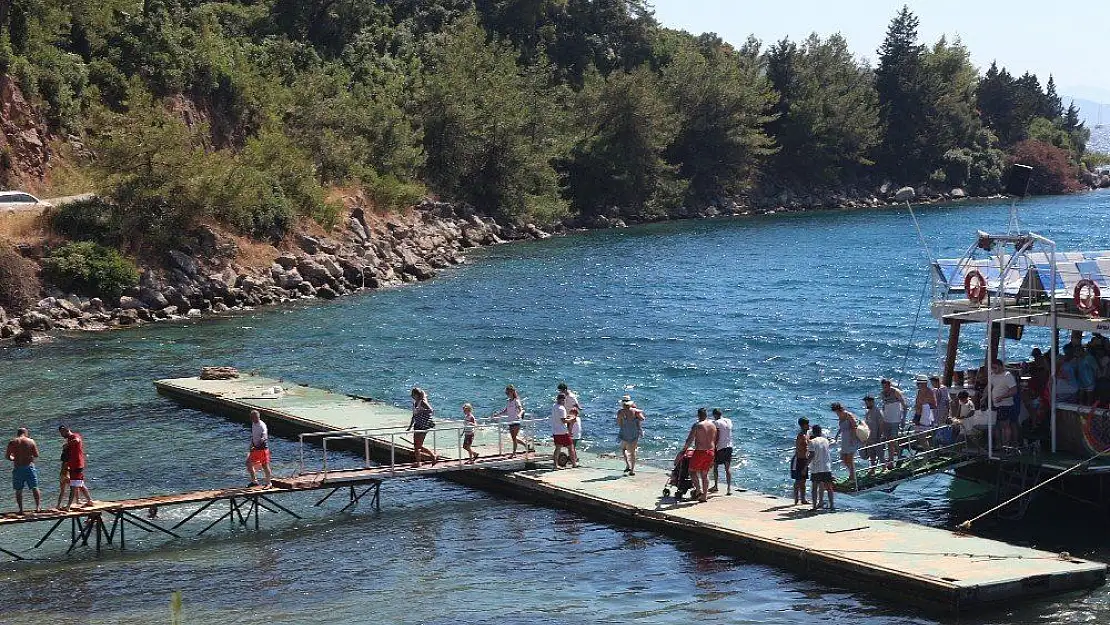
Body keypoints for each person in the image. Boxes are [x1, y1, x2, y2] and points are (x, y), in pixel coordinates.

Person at [682, 408, 717, 503]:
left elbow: (690, 439)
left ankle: (698, 490)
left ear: (698, 415)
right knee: (705, 474)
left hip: (700, 451)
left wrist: (683, 450)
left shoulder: (697, 425)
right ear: (706, 415)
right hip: (711, 451)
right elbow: (715, 439)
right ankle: (704, 496)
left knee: (692, 471)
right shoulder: (713, 425)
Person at [6, 428, 41, 514]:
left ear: (18, 433)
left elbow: (7, 456)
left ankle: (21, 510)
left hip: (18, 468)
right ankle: (38, 507)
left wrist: (13, 458)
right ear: (25, 433)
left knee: (18, 490)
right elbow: (36, 455)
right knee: (34, 487)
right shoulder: (31, 441)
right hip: (29, 467)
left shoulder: (12, 442)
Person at [58, 426, 93, 509]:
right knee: (80, 484)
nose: (61, 435)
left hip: (76, 464)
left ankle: (68, 506)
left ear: (66, 430)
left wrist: (66, 444)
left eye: (62, 433)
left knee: (73, 486)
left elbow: (77, 440)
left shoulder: (74, 436)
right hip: (74, 464)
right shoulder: (70, 439)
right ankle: (89, 500)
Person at [989, 359, 1019, 448]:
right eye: (992, 368)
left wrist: (1002, 397)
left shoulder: (1007, 376)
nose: (993, 369)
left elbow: (1014, 390)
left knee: (1005, 425)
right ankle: (999, 444)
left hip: (1005, 405)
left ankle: (1006, 445)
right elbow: (990, 387)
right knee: (996, 425)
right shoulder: (992, 375)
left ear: (1001, 366)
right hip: (995, 405)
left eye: (995, 367)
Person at [880, 378, 907, 468]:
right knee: (889, 441)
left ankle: (893, 459)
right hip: (886, 420)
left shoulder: (896, 392)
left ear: (889, 385)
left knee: (892, 440)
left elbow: (904, 405)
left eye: (886, 386)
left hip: (895, 420)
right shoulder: (882, 394)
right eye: (883, 387)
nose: (884, 388)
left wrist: (903, 419)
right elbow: (884, 406)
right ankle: (896, 456)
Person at [494, 385, 528, 457]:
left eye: (508, 393)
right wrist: (498, 414)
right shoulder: (508, 401)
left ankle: (514, 453)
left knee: (514, 438)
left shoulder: (516, 401)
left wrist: (519, 415)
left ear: (512, 392)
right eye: (506, 393)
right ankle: (526, 445)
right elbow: (506, 411)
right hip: (510, 421)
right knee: (514, 437)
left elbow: (521, 410)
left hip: (516, 421)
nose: (507, 394)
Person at [407, 388, 436, 467]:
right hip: (417, 425)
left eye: (413, 394)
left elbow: (431, 410)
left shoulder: (422, 402)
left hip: (423, 425)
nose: (412, 396)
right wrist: (410, 426)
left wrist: (421, 412)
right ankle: (432, 456)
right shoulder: (414, 403)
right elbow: (414, 416)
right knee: (417, 446)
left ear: (416, 394)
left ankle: (420, 462)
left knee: (417, 446)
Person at [832, 403, 860, 484]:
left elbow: (854, 426)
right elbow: (841, 427)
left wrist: (853, 438)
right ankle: (852, 474)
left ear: (838, 409)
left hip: (851, 438)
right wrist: (837, 436)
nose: (836, 413)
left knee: (849, 459)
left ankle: (852, 477)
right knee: (843, 458)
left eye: (836, 411)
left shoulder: (848, 415)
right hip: (844, 439)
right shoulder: (840, 416)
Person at [808, 425, 834, 512]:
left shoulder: (812, 442)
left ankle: (814, 506)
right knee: (829, 487)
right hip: (826, 467)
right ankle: (832, 506)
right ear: (820, 432)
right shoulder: (826, 441)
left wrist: (805, 466)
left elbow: (811, 455)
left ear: (813, 432)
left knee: (815, 487)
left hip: (816, 468)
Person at [616, 395, 645, 475]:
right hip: (634, 432)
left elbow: (619, 423)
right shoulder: (635, 411)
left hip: (624, 432)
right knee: (632, 452)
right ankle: (632, 470)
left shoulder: (620, 412)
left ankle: (627, 465)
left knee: (623, 449)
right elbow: (643, 419)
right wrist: (636, 417)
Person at [246, 410, 274, 487]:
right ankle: (254, 481)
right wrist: (252, 444)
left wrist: (256, 446)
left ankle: (269, 483)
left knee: (265, 465)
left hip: (262, 449)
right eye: (252, 418)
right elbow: (254, 435)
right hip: (255, 448)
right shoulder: (253, 423)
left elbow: (264, 437)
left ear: (258, 417)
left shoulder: (262, 425)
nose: (254, 419)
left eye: (255, 418)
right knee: (248, 463)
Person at [550, 394, 578, 469]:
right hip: (562, 432)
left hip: (555, 431)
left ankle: (555, 465)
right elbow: (563, 420)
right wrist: (572, 420)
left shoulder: (554, 406)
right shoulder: (562, 408)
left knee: (558, 448)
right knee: (570, 447)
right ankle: (574, 464)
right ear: (562, 400)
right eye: (564, 400)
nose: (564, 401)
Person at [710, 408, 733, 495]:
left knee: (715, 466)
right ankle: (729, 489)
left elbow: (716, 434)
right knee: (727, 468)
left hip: (720, 447)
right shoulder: (729, 421)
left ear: (715, 415)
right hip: (729, 446)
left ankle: (716, 486)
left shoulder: (716, 423)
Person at [861, 396, 883, 472]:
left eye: (867, 402)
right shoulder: (867, 412)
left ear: (872, 402)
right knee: (871, 454)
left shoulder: (877, 411)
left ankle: (884, 468)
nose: (866, 404)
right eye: (865, 402)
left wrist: (879, 435)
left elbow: (881, 424)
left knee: (879, 453)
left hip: (876, 436)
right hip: (869, 437)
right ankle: (873, 468)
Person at [791, 418, 810, 505]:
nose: (809, 425)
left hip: (805, 459)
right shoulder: (801, 436)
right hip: (799, 459)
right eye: (807, 424)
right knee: (798, 480)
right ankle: (796, 498)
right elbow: (800, 448)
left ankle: (803, 498)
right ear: (803, 425)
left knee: (803, 480)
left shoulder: (806, 434)